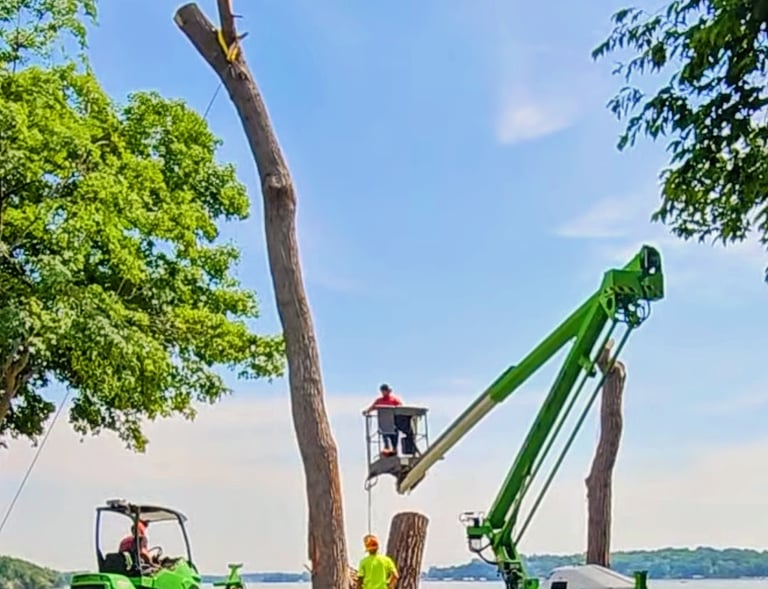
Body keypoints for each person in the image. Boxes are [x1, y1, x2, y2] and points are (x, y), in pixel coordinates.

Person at [364, 385, 403, 456]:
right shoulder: (379, 401)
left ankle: (394, 450)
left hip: (393, 423)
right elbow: (373, 407)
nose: (384, 392)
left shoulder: (394, 400)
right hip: (384, 424)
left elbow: (401, 407)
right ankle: (387, 448)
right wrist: (367, 411)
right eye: (383, 391)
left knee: (394, 438)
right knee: (385, 436)